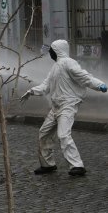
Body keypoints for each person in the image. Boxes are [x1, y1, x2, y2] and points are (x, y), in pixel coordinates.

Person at [20, 39, 107, 176]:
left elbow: (84, 77)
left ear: (57, 51)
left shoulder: (68, 63)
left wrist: (99, 85)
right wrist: (32, 91)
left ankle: (77, 165)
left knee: (63, 134)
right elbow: (46, 86)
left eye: (51, 51)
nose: (50, 53)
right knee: (44, 133)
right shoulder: (55, 67)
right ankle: (48, 165)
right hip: (56, 107)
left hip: (68, 105)